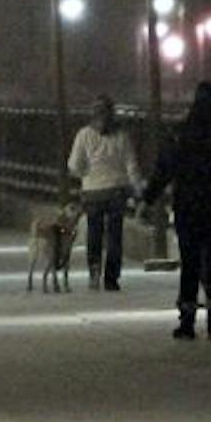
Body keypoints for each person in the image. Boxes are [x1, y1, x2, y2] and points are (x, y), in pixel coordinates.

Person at [140, 81, 211, 340]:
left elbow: (164, 169)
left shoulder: (181, 133)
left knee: (190, 263)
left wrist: (148, 199)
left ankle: (187, 321)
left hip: (189, 207)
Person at [66, 95, 141, 291]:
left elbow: (74, 165)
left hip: (92, 192)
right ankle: (111, 278)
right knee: (115, 234)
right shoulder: (122, 136)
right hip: (117, 190)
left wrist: (85, 175)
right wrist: (137, 189)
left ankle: (94, 271)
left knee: (94, 232)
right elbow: (131, 165)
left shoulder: (84, 135)